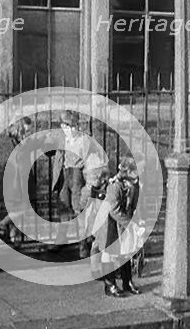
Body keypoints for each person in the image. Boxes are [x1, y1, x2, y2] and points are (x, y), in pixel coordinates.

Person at [96, 156, 143, 297]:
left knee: (126, 252)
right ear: (127, 172)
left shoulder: (134, 184)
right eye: (134, 171)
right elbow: (114, 210)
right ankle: (110, 285)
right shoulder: (114, 186)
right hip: (108, 222)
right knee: (109, 253)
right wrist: (131, 224)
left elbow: (135, 204)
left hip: (123, 220)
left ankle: (127, 282)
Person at [48, 110, 93, 249]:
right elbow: (47, 152)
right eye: (65, 126)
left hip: (77, 175)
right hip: (63, 175)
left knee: (78, 208)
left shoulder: (83, 140)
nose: (68, 129)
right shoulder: (60, 140)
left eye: (71, 126)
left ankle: (83, 243)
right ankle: (61, 239)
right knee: (63, 207)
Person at [0, 116, 36, 246]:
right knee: (22, 209)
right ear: (20, 130)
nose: (30, 133)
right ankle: (2, 224)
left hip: (22, 178)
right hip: (15, 180)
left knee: (18, 209)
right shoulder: (12, 142)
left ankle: (14, 238)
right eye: (27, 131)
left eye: (31, 131)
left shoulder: (23, 142)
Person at [78, 154, 109, 280]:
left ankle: (96, 269)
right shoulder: (89, 190)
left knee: (98, 244)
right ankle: (96, 269)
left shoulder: (93, 188)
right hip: (95, 220)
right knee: (97, 245)